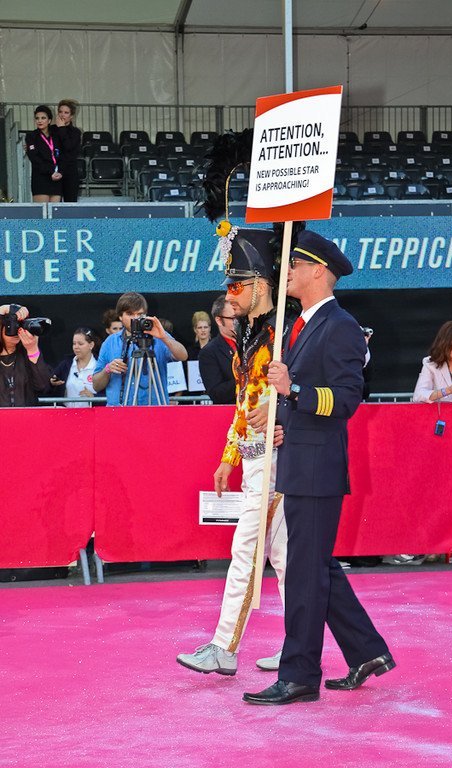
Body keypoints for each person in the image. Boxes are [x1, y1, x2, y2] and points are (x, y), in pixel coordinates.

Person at [243, 230, 395, 706]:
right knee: (316, 567)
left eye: (295, 264)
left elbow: (347, 399)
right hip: (302, 461)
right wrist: (280, 422)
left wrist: (292, 391)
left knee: (305, 575)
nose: (286, 271)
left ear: (318, 271)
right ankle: (366, 652)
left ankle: (300, 674)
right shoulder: (303, 324)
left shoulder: (340, 325)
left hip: (317, 467)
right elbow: (301, 398)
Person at [176, 227, 287, 676]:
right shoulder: (251, 334)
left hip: (276, 461)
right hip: (256, 458)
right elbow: (245, 402)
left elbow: (298, 390)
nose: (229, 294)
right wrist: (229, 457)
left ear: (261, 284)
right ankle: (302, 646)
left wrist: (282, 418)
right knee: (286, 560)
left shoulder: (284, 332)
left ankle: (223, 646)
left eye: (236, 285)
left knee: (246, 552)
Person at [92, 292, 187, 406]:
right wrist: (108, 369)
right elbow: (96, 386)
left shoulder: (158, 337)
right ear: (120, 316)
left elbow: (183, 356)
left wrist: (164, 337)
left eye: (140, 314)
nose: (135, 318)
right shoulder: (110, 342)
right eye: (130, 314)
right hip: (119, 412)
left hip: (154, 410)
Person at [0, 303, 51, 407]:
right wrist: (3, 309)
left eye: (19, 325)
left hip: (26, 415)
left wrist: (33, 350)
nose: (17, 330)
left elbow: (43, 386)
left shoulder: (26, 355)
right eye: (12, 325)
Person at [198, 295, 237, 404]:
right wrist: (246, 379)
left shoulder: (252, 343)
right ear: (219, 320)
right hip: (231, 410)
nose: (238, 321)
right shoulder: (209, 352)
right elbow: (216, 393)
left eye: (241, 316)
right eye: (233, 318)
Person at [50, 327, 102, 407]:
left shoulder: (99, 365)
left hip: (92, 413)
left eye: (80, 344)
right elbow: (52, 381)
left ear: (91, 345)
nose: (76, 347)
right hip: (67, 412)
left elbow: (108, 393)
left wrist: (94, 397)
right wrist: (52, 382)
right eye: (74, 343)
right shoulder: (66, 364)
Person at [25, 105, 62, 202]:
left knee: (55, 210)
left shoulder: (56, 136)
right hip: (41, 178)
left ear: (49, 120)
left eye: (43, 118)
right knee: (42, 210)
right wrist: (50, 172)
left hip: (56, 178)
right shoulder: (31, 136)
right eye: (37, 118)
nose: (39, 121)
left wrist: (59, 172)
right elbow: (35, 159)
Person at [55, 99, 82, 202]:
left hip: (69, 171)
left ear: (71, 116)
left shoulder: (76, 132)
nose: (62, 115)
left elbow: (68, 147)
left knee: (70, 203)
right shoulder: (51, 130)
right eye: (60, 112)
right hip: (53, 171)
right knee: (53, 204)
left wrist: (62, 128)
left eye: (66, 112)